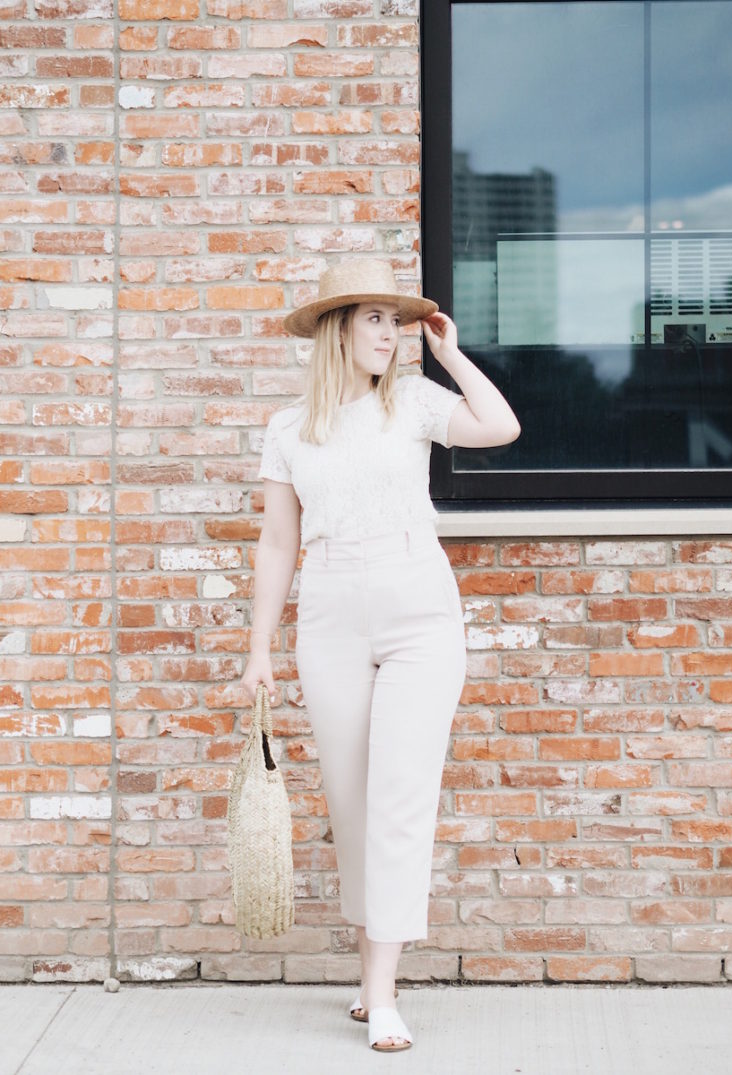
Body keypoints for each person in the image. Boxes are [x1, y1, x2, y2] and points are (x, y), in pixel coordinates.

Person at [240, 258, 520, 1052]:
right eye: (374, 319)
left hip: (418, 609)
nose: (391, 334)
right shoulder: (289, 428)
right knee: (353, 802)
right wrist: (259, 646)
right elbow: (277, 541)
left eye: (395, 321)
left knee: (400, 797)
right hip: (328, 611)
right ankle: (373, 974)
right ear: (336, 329)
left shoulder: (415, 402)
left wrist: (453, 354)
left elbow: (500, 427)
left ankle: (381, 990)